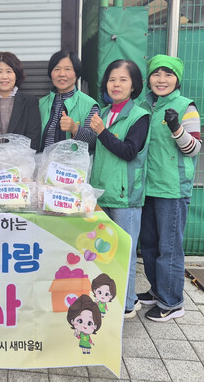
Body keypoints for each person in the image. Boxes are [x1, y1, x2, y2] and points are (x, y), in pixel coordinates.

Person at [137, 54, 202, 322]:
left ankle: (173, 302)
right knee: (149, 245)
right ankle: (157, 290)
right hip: (146, 187)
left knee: (169, 248)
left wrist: (176, 128)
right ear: (148, 78)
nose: (161, 79)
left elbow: (193, 148)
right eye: (156, 74)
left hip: (172, 189)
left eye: (168, 74)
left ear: (177, 80)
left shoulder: (186, 106)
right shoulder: (144, 105)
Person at [89, 59, 150, 319]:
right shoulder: (103, 113)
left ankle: (126, 305)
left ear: (134, 85)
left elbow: (129, 151)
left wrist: (102, 132)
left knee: (124, 252)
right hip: (102, 193)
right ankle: (113, 300)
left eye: (123, 80)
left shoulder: (140, 116)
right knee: (104, 252)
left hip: (125, 197)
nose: (116, 84)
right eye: (112, 79)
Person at [40, 50, 99, 152]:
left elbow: (94, 143)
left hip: (74, 162)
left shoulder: (89, 105)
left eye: (68, 69)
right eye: (57, 69)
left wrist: (75, 128)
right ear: (50, 73)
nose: (62, 74)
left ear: (76, 73)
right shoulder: (40, 104)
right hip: (43, 161)